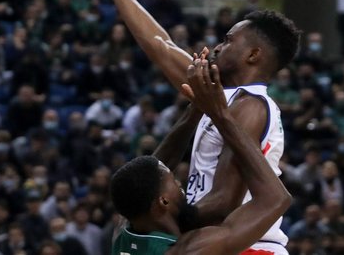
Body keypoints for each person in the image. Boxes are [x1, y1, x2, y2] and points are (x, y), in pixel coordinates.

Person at [86, 0, 301, 254]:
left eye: (227, 41)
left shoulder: (249, 106)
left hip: (246, 245)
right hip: (207, 240)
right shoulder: (213, 94)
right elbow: (161, 46)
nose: (216, 46)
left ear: (253, 56)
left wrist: (159, 217)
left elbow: (224, 203)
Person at [110, 54, 292, 254]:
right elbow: (276, 199)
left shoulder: (123, 233)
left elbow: (152, 168)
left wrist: (195, 109)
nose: (182, 187)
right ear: (163, 201)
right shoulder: (190, 250)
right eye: (176, 184)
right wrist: (220, 115)